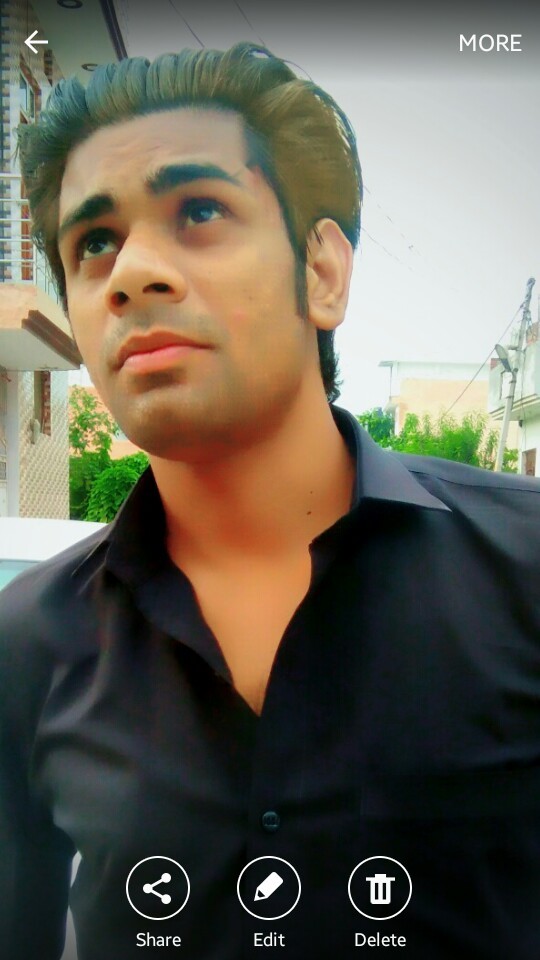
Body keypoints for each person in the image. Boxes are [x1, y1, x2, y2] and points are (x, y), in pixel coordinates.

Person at [1, 41, 539, 960]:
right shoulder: (28, 643)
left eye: (200, 211)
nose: (131, 272)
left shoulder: (524, 570)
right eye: (94, 243)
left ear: (321, 272)